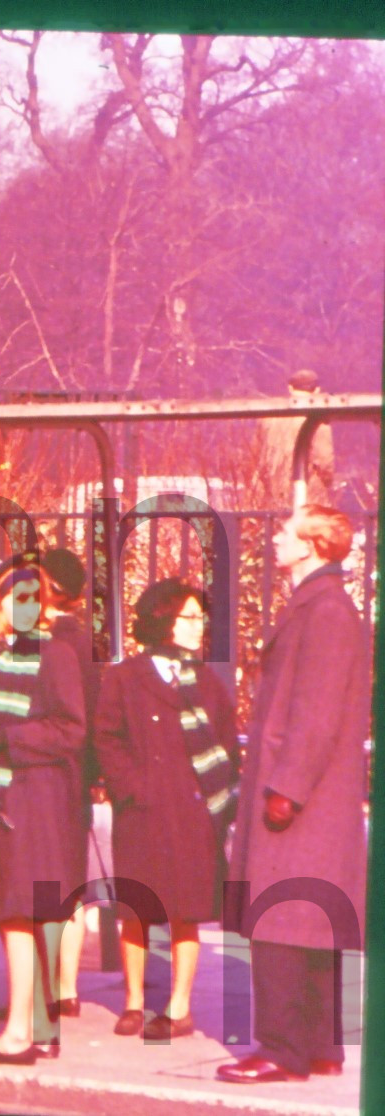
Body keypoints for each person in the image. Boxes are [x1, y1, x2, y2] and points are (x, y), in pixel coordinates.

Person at [219, 507, 369, 1085]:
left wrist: (287, 787)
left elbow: (316, 709)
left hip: (301, 800)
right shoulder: (325, 605)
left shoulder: (325, 610)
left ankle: (282, 1050)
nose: (276, 537)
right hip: (316, 799)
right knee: (311, 925)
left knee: (282, 921)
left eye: (286, 531)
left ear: (311, 546)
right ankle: (320, 1047)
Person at [0, 554, 86, 1065]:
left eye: (34, 597)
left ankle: (20, 1034)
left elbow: (71, 729)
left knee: (19, 913)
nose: (24, 606)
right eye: (14, 596)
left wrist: (5, 740)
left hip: (32, 797)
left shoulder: (54, 655)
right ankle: (32, 1026)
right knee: (13, 915)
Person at [95, 578, 237, 1041]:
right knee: (136, 907)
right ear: (163, 620)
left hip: (193, 813)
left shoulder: (207, 681)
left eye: (201, 618)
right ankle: (133, 1000)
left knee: (186, 909)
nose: (200, 627)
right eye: (190, 617)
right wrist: (131, 788)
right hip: (143, 810)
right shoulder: (124, 676)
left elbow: (226, 745)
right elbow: (107, 738)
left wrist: (216, 800)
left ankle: (179, 1006)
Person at [31, 548, 101, 1022]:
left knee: (41, 879)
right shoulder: (88, 642)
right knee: (71, 881)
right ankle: (67, 988)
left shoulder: (46, 642)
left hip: (46, 770)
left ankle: (43, 988)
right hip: (79, 770)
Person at [255, 369, 335, 506]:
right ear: (317, 390)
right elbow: (325, 462)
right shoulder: (318, 419)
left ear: (290, 388)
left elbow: (255, 456)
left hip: (270, 493)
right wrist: (328, 483)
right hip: (308, 494)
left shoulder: (267, 416)